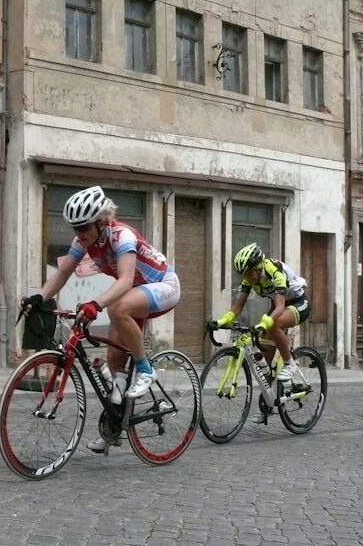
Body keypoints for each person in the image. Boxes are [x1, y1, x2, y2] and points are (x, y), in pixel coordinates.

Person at [20, 186, 180, 453]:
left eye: (84, 228)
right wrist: (39, 297)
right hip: (134, 295)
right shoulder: (82, 242)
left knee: (117, 308)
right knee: (115, 364)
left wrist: (96, 303)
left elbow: (126, 279)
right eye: (75, 229)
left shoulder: (122, 236)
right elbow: (61, 275)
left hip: (164, 286)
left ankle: (146, 369)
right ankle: (113, 429)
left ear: (101, 221)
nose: (79, 235)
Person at [210, 243, 310, 424]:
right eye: (244, 275)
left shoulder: (274, 271)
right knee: (265, 360)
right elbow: (238, 306)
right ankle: (269, 403)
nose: (247, 278)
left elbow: (280, 307)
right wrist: (221, 321)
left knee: (274, 325)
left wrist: (264, 323)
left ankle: (289, 364)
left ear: (257, 267)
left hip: (297, 303)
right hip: (279, 306)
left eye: (249, 273)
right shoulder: (250, 278)